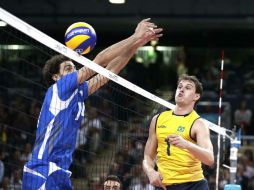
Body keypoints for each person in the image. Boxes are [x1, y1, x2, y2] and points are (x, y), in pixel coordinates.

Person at [22, 18, 163, 190]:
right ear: (56, 77)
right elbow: (100, 60)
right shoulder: (58, 89)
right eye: (68, 68)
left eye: (74, 68)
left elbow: (109, 72)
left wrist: (137, 44)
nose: (74, 71)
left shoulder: (78, 94)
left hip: (61, 172)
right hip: (42, 170)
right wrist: (135, 36)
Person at [143, 74, 214, 190]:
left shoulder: (199, 124)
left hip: (194, 185)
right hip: (165, 185)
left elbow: (209, 159)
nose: (181, 89)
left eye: (188, 88)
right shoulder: (158, 119)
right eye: (180, 86)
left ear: (196, 96)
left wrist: (187, 145)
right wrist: (150, 172)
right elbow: (147, 156)